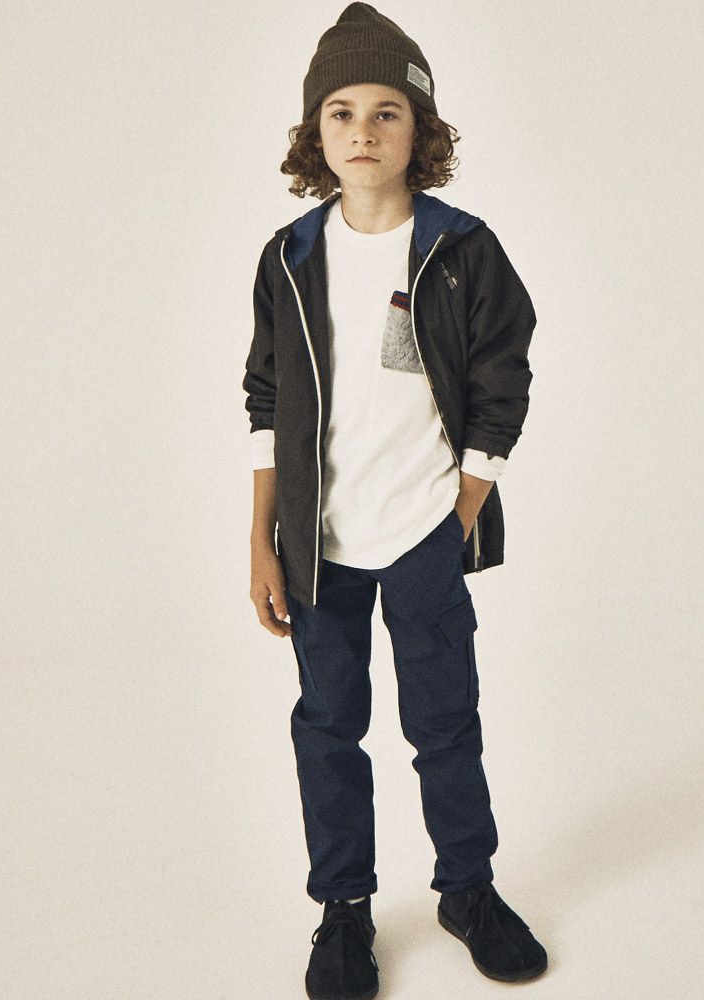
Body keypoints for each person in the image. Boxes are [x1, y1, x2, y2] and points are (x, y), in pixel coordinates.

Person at [243, 4, 545, 997]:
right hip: (319, 545)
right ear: (315, 132)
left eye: (386, 111)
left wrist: (466, 501)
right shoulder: (290, 256)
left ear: (421, 130)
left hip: (424, 532)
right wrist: (262, 538)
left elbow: (502, 373)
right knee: (328, 728)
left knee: (445, 724)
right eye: (340, 112)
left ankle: (468, 889)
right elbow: (266, 399)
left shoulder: (462, 247)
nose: (362, 130)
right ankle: (344, 909)